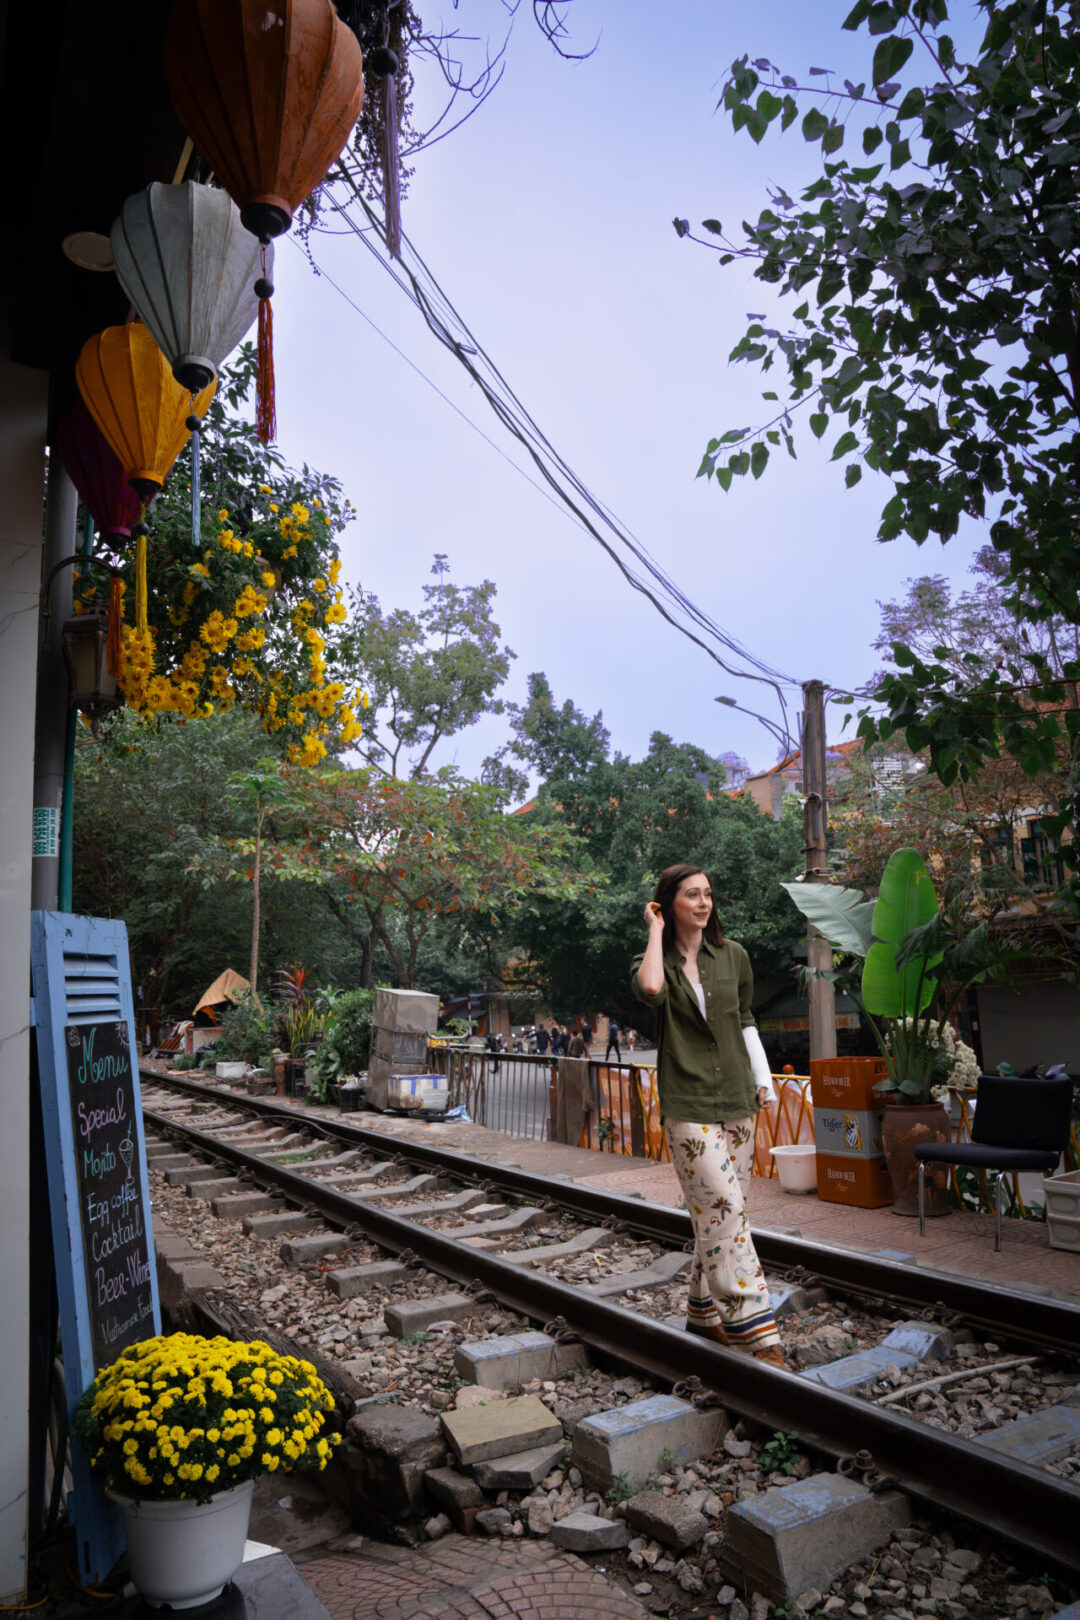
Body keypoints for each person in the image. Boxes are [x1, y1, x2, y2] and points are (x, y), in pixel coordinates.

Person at [631, 863, 784, 1368]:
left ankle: (703, 1312)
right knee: (722, 1206)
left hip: (738, 1096)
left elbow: (745, 1020)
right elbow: (651, 990)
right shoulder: (656, 960)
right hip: (688, 1101)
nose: (703, 903)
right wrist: (654, 931)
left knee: (726, 1209)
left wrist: (764, 1080)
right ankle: (756, 1330)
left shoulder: (733, 956)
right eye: (691, 895)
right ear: (668, 902)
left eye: (708, 894)